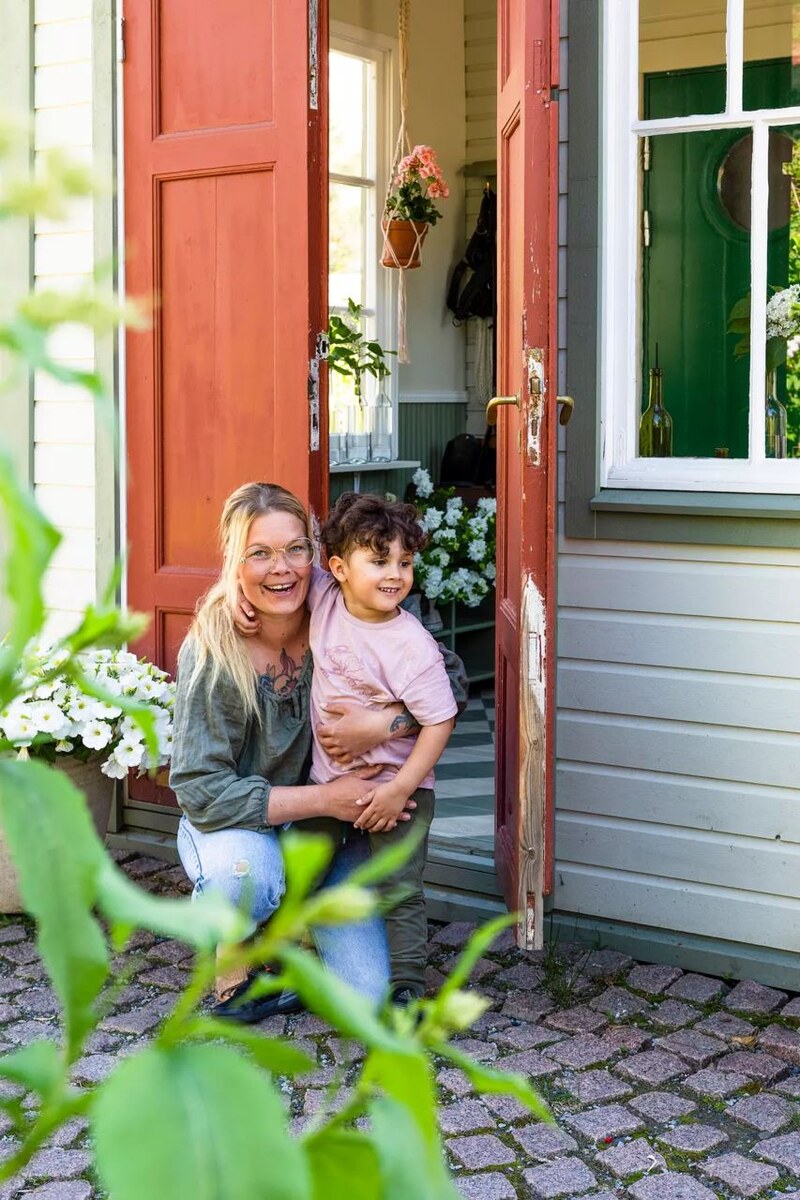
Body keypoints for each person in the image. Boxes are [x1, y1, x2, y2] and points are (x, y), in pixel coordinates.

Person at [169, 481, 467, 1023]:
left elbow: (449, 681)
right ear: (237, 562)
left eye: (294, 550)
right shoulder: (214, 648)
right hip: (239, 824)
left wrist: (382, 724)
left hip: (334, 818)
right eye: (259, 554)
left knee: (369, 997)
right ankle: (232, 972)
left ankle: (303, 937)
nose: (280, 569)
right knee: (245, 879)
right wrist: (328, 798)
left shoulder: (342, 606)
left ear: (318, 558)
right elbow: (199, 791)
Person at [307, 492, 457, 1006]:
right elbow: (285, 553)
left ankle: (408, 986)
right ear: (338, 569)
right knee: (301, 862)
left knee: (398, 885)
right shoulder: (323, 600)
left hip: (401, 789)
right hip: (329, 783)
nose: (395, 574)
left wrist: (398, 790)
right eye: (378, 560)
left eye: (405, 562)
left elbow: (441, 720)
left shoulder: (412, 645)